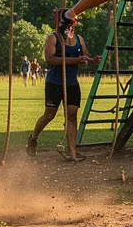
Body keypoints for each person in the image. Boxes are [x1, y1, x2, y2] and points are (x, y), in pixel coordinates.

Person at [26, 27, 100, 162]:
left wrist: (91, 60)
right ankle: (33, 137)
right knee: (49, 114)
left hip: (71, 83)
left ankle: (72, 153)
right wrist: (76, 60)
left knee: (72, 116)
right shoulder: (52, 38)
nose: (70, 25)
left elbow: (84, 58)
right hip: (54, 83)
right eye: (68, 22)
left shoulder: (79, 39)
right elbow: (50, 59)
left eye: (73, 22)